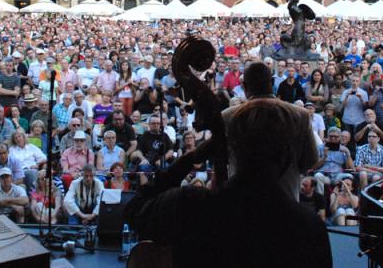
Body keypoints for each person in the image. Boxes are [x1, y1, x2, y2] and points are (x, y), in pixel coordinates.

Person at [126, 99, 333, 268]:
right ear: (287, 158)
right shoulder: (308, 227)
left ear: (229, 151)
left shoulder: (190, 205)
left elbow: (134, 211)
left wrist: (189, 159)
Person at [222, 61, 316, 201]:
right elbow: (310, 159)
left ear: (244, 86)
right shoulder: (300, 115)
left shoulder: (228, 116)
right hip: (285, 196)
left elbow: (221, 158)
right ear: (272, 83)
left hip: (243, 200)